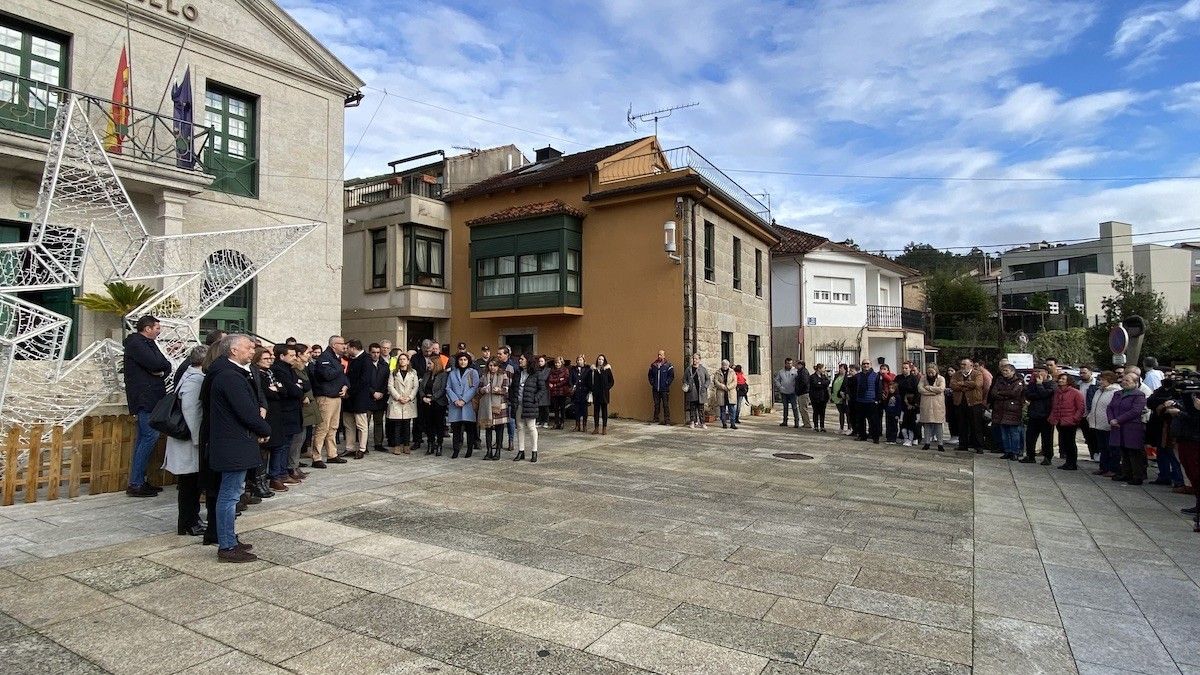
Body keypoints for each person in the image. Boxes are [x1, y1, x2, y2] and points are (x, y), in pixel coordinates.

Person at [202, 334, 272, 563]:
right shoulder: (229, 376)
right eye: (249, 348)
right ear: (233, 351)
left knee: (231, 494)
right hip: (232, 444)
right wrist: (264, 428)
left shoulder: (228, 372)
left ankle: (229, 538)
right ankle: (227, 545)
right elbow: (245, 411)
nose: (253, 351)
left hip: (234, 442)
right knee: (229, 496)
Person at [123, 315, 172, 497]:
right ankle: (136, 483)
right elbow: (155, 363)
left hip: (152, 396)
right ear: (148, 328)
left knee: (145, 437)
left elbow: (165, 365)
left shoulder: (149, 344)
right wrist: (158, 368)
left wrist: (160, 369)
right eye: (157, 328)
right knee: (149, 436)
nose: (159, 331)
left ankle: (139, 481)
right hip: (145, 398)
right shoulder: (136, 344)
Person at [164, 345, 207, 536]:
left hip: (189, 441)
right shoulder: (194, 380)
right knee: (189, 485)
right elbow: (192, 411)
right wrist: (199, 439)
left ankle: (192, 519)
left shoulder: (191, 376)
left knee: (192, 484)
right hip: (189, 441)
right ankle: (189, 522)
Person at [265, 345, 305, 491]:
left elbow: (303, 385)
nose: (295, 357)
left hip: (292, 410)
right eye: (292, 355)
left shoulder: (290, 369)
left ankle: (283, 471)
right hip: (284, 411)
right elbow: (292, 389)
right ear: (282, 356)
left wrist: (296, 387)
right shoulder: (279, 370)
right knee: (281, 445)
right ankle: (277, 474)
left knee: (287, 444)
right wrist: (295, 387)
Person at [1163, 387, 1200, 531]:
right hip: (1186, 438)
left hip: (1195, 440)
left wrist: (1180, 413)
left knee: (1196, 473)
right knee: (1192, 474)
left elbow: (1194, 418)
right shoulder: (1191, 395)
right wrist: (1178, 405)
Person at [311, 336, 349, 467]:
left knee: (333, 427)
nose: (344, 346)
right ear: (334, 345)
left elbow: (343, 377)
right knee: (323, 428)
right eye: (342, 344)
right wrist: (340, 366)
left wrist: (345, 386)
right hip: (325, 397)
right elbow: (327, 375)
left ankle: (332, 454)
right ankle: (316, 457)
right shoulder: (324, 358)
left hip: (336, 396)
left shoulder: (336, 358)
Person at [1109, 373, 1149, 485]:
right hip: (1117, 426)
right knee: (1124, 451)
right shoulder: (1117, 394)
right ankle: (1126, 473)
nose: (1124, 382)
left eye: (1128, 380)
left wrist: (1118, 420)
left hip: (1132, 427)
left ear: (1135, 383)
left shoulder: (1139, 395)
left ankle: (1137, 476)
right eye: (1123, 380)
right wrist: (1111, 419)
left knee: (1134, 452)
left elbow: (1135, 411)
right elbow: (1110, 407)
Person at [289, 344, 316, 481]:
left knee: (302, 437)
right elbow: (300, 385)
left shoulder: (305, 367)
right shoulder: (295, 368)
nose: (309, 355)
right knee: (297, 438)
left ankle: (295, 465)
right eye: (307, 353)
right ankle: (292, 466)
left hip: (307, 404)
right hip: (301, 405)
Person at [1087, 371, 1121, 477]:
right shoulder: (1099, 391)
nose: (1100, 381)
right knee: (1102, 447)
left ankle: (1113, 468)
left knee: (1111, 448)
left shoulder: (1116, 391)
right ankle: (1103, 467)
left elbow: (1114, 408)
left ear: (1109, 380)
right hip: (1097, 423)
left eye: (1102, 379)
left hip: (1108, 424)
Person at [510, 354, 543, 462]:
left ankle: (534, 451)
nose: (520, 361)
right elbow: (513, 388)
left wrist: (535, 399)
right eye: (519, 359)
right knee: (519, 427)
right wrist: (513, 399)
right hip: (518, 404)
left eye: (522, 359)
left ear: (528, 361)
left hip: (530, 404)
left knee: (531, 427)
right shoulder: (518, 373)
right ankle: (521, 451)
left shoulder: (536, 374)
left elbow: (542, 389)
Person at [446, 352, 480, 459]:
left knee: (469, 428)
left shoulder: (473, 372)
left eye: (465, 360)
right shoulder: (452, 373)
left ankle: (469, 449)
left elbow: (474, 388)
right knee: (456, 429)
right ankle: (456, 449)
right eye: (461, 360)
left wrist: (464, 400)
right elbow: (448, 388)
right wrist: (455, 400)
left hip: (468, 404)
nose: (463, 362)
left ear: (468, 361)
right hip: (455, 404)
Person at [1049, 373, 1086, 470]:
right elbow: (1055, 406)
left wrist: (1075, 419)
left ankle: (1072, 463)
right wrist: (1053, 418)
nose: (1060, 380)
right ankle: (1067, 462)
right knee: (1064, 443)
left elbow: (1080, 408)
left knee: (1070, 443)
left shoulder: (1075, 392)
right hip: (1060, 421)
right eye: (1060, 378)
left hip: (1070, 421)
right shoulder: (1057, 392)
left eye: (1063, 379)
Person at [1021, 367, 1055, 465]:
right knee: (1030, 437)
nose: (1036, 373)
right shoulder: (1032, 383)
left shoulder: (1052, 384)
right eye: (1035, 371)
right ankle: (1030, 456)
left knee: (1047, 438)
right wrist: (1038, 394)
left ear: (1046, 373)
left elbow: (1045, 394)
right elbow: (1028, 394)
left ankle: (1048, 457)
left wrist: (1040, 385)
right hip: (1034, 414)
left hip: (1046, 415)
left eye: (1039, 371)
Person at [950, 358, 985, 454]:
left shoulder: (977, 374)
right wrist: (967, 385)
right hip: (960, 403)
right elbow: (952, 385)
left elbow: (977, 384)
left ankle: (978, 446)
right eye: (961, 364)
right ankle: (963, 445)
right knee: (962, 425)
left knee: (976, 425)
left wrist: (961, 384)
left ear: (971, 365)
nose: (962, 366)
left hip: (974, 403)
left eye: (965, 364)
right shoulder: (957, 374)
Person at [386, 352, 419, 454]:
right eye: (400, 359)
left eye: (404, 359)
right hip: (397, 401)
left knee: (407, 425)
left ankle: (406, 445)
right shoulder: (394, 372)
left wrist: (409, 397)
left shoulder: (413, 372)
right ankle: (397, 446)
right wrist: (398, 397)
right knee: (397, 425)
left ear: (408, 361)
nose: (402, 361)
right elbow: (390, 386)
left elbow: (415, 386)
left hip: (409, 401)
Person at [477, 358, 510, 460]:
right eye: (490, 365)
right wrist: (483, 389)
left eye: (495, 366)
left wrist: (499, 390)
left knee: (499, 430)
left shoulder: (503, 375)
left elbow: (506, 389)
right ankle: (489, 451)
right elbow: (479, 388)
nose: (492, 368)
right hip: (487, 405)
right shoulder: (484, 375)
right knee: (488, 429)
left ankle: (498, 452)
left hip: (499, 405)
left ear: (498, 366)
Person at [418, 357, 448, 456]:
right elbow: (421, 388)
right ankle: (430, 444)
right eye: (428, 363)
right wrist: (423, 397)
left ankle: (439, 445)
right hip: (426, 403)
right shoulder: (426, 374)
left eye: (430, 363)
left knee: (439, 425)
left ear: (436, 364)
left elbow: (442, 389)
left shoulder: (443, 375)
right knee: (428, 425)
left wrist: (432, 398)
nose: (428, 365)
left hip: (438, 403)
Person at [365, 343, 391, 453]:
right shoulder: (365, 364)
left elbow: (387, 381)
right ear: (369, 352)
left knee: (379, 422)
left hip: (381, 398)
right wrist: (373, 392)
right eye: (373, 352)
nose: (376, 355)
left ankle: (378, 443)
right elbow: (363, 381)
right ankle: (363, 445)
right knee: (365, 423)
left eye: (378, 352)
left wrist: (381, 393)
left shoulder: (384, 365)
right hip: (367, 398)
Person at [918, 364, 948, 451]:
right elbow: (920, 389)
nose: (930, 374)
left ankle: (940, 444)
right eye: (928, 372)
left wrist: (928, 388)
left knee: (938, 424)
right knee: (926, 423)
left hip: (937, 405)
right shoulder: (923, 378)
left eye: (932, 372)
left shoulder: (941, 378)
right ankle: (927, 443)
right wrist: (931, 392)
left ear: (936, 371)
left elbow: (941, 388)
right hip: (926, 404)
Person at [854, 360, 883, 443]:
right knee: (860, 420)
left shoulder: (876, 375)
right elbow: (855, 388)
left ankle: (875, 437)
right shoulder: (858, 376)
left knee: (873, 421)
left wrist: (878, 400)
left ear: (870, 365)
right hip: (860, 400)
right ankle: (862, 436)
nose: (865, 365)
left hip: (872, 401)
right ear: (861, 365)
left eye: (867, 364)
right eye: (864, 364)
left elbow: (879, 388)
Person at [589, 354, 615, 435]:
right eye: (599, 359)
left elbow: (612, 381)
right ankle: (596, 428)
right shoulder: (593, 370)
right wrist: (592, 389)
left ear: (604, 361)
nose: (600, 360)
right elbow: (590, 380)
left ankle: (604, 428)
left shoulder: (607, 370)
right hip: (596, 394)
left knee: (604, 411)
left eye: (602, 359)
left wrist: (607, 387)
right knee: (596, 411)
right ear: (597, 360)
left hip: (604, 394)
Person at [648, 350, 675, 425]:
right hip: (655, 389)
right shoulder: (653, 365)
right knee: (656, 404)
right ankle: (656, 419)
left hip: (664, 389)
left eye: (661, 355)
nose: (659, 356)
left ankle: (667, 420)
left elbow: (671, 376)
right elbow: (650, 375)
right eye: (658, 355)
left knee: (665, 404)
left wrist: (667, 383)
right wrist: (652, 382)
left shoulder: (668, 365)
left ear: (664, 356)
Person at [896, 362, 920, 446]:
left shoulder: (914, 379)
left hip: (911, 404)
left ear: (910, 369)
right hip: (901, 402)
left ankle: (915, 438)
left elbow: (917, 392)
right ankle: (904, 437)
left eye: (906, 368)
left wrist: (914, 404)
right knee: (902, 421)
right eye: (903, 368)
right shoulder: (898, 377)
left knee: (912, 422)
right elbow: (895, 388)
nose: (904, 370)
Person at [683, 354, 710, 429]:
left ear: (699, 360)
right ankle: (692, 422)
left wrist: (705, 386)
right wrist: (686, 384)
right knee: (692, 408)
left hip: (701, 392)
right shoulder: (689, 369)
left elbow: (708, 379)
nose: (695, 360)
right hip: (692, 391)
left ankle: (703, 423)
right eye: (694, 358)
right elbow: (684, 378)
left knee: (701, 408)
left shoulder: (703, 369)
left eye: (696, 359)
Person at [547, 357, 572, 429]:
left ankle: (562, 423)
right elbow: (550, 379)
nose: (557, 364)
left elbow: (565, 380)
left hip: (562, 392)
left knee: (562, 408)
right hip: (554, 392)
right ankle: (556, 422)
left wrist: (555, 384)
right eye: (556, 363)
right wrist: (558, 380)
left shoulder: (565, 370)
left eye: (558, 363)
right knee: (555, 408)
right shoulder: (552, 371)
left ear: (561, 363)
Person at [714, 360, 738, 430]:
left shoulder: (732, 372)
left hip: (730, 393)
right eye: (723, 365)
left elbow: (735, 382)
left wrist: (728, 387)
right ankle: (724, 423)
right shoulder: (717, 372)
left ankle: (732, 423)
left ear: (728, 365)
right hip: (721, 393)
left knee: (732, 410)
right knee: (722, 409)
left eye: (726, 365)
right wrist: (722, 386)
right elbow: (716, 381)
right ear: (721, 365)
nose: (725, 366)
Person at [570, 355, 591, 432]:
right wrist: (572, 387)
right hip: (576, 392)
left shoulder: (587, 369)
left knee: (584, 410)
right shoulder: (573, 370)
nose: (579, 361)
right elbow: (570, 380)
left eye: (581, 360)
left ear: (584, 361)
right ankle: (577, 425)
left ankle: (584, 426)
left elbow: (589, 381)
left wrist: (588, 389)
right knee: (577, 409)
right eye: (578, 360)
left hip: (584, 392)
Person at [775, 358, 798, 428]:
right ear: (785, 363)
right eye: (788, 363)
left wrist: (796, 387)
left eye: (791, 363)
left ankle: (796, 422)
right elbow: (776, 380)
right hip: (784, 392)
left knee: (794, 407)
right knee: (785, 407)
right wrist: (780, 387)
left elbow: (798, 380)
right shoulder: (781, 372)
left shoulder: (795, 371)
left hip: (792, 392)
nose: (789, 364)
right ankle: (785, 421)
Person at [809, 364, 831, 432]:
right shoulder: (812, 376)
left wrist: (820, 383)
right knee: (816, 412)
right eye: (823, 368)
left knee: (822, 412)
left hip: (823, 397)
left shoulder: (824, 376)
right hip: (815, 397)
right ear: (819, 369)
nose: (824, 370)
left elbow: (828, 382)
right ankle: (816, 426)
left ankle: (822, 426)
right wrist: (821, 383)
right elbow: (815, 384)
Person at [842, 364, 860, 436]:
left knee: (856, 416)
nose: (850, 372)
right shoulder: (850, 377)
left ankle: (857, 430)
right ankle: (854, 430)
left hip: (856, 399)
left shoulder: (857, 378)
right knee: (851, 415)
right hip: (850, 399)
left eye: (852, 371)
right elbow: (846, 387)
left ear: (856, 371)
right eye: (849, 370)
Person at [831, 364, 849, 433]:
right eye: (839, 368)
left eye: (841, 368)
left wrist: (844, 393)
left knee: (847, 413)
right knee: (841, 413)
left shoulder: (847, 377)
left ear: (845, 369)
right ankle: (841, 428)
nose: (840, 370)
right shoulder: (837, 376)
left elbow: (846, 386)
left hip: (843, 397)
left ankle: (849, 428)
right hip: (836, 397)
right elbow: (833, 384)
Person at [535, 355, 552, 428]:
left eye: (542, 361)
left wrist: (538, 377)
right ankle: (539, 421)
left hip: (545, 389)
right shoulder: (536, 369)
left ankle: (546, 421)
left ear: (545, 362)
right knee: (539, 407)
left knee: (545, 407)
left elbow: (544, 378)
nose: (540, 363)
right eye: (539, 361)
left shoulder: (548, 370)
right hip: (538, 389)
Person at [795, 361, 812, 428]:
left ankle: (807, 423)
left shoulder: (803, 372)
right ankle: (805, 423)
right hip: (801, 393)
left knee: (803, 409)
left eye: (797, 365)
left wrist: (799, 390)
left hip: (803, 393)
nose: (796, 366)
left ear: (801, 365)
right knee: (802, 409)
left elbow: (804, 383)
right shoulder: (800, 372)